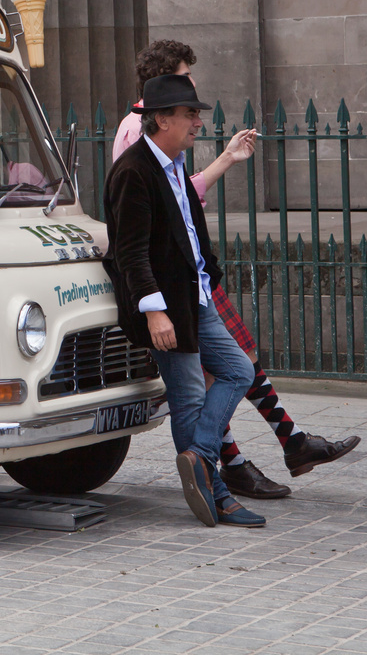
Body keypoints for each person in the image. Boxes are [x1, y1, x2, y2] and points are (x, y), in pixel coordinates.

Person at [115, 40, 360, 496]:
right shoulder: (138, 138)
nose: (197, 108)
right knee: (199, 388)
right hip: (171, 285)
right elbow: (141, 231)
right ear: (164, 103)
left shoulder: (171, 139)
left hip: (192, 279)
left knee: (236, 367)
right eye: (188, 82)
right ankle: (225, 474)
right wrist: (155, 306)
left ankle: (268, 449)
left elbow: (180, 203)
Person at [105, 73, 263, 528]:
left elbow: (192, 233)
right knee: (190, 396)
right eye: (189, 114)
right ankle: (216, 495)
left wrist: (208, 276)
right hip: (166, 306)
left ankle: (199, 455)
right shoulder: (133, 170)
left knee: (239, 370)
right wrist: (154, 311)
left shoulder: (173, 164)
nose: (197, 122)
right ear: (161, 120)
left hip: (195, 296)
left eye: (196, 114)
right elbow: (129, 252)